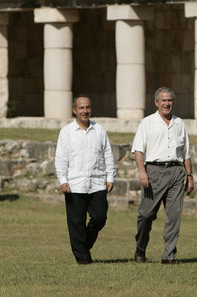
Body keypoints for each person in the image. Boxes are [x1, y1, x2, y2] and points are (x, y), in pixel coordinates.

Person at [132, 87, 194, 265]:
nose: (167, 103)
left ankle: (169, 256)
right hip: (154, 172)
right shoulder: (147, 123)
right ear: (156, 102)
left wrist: (189, 176)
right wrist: (142, 171)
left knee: (174, 216)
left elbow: (186, 153)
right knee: (146, 215)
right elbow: (138, 150)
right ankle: (140, 248)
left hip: (176, 172)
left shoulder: (179, 123)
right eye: (163, 100)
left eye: (170, 100)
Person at [55, 95, 116, 265]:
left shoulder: (100, 130)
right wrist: (62, 179)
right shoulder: (66, 132)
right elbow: (61, 157)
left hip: (97, 183)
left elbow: (108, 155)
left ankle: (84, 246)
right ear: (74, 110)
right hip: (74, 184)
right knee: (76, 222)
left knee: (100, 217)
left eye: (87, 107)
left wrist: (110, 176)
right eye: (81, 108)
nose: (85, 111)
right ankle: (82, 258)